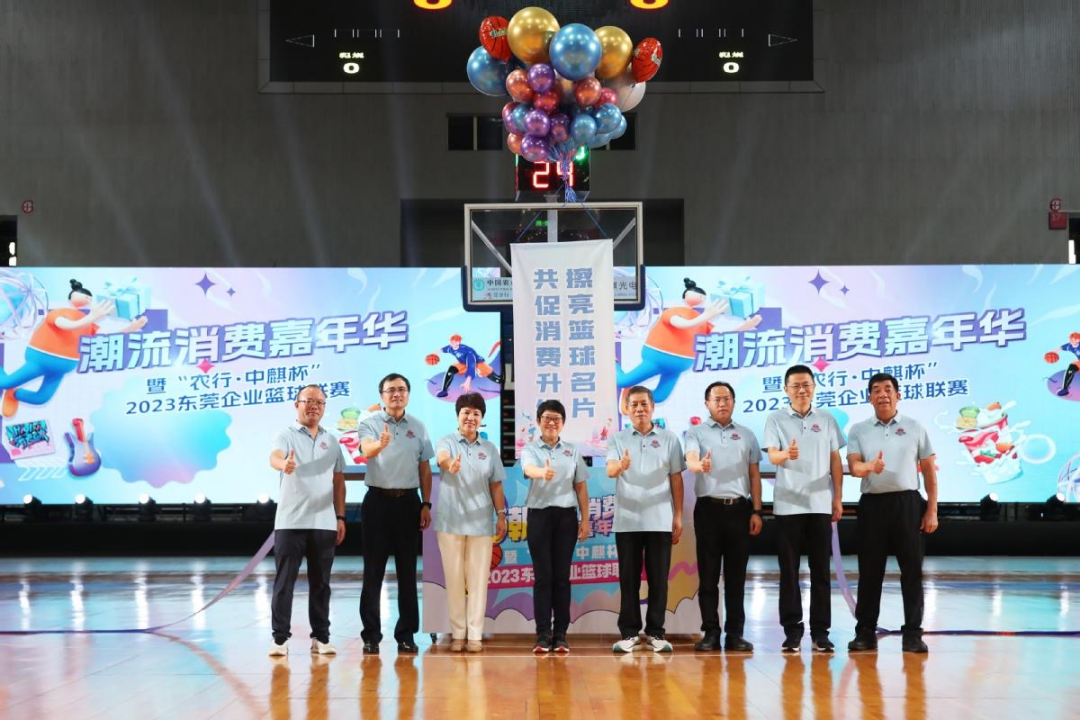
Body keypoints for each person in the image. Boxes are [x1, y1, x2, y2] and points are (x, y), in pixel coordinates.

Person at [846, 372, 939, 654]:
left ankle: (913, 634)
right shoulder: (859, 430)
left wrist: (932, 509)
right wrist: (869, 467)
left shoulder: (915, 427)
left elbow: (929, 472)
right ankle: (865, 633)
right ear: (869, 397)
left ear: (898, 395)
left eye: (888, 389)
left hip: (908, 504)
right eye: (876, 390)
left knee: (912, 571)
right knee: (869, 572)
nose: (882, 394)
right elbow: (854, 467)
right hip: (872, 505)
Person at [764, 365, 845, 653]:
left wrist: (838, 498)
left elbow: (835, 460)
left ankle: (821, 632)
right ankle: (792, 631)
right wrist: (786, 454)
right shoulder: (775, 419)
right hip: (788, 505)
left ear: (814, 387)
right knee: (789, 572)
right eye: (796, 385)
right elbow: (773, 455)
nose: (801, 390)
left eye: (806, 384)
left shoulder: (826, 419)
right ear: (786, 389)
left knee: (820, 571)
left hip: (820, 504)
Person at [357, 373, 434, 655]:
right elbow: (367, 450)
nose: (396, 394)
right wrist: (380, 444)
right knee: (373, 572)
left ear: (408, 395)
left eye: (401, 389)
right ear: (382, 396)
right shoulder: (369, 423)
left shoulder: (419, 426)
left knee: (407, 572)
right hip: (377, 502)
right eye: (391, 390)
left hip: (408, 503)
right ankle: (371, 636)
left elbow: (425, 468)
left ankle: (406, 634)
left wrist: (426, 504)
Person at [268, 384, 347, 656]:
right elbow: (274, 457)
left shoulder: (332, 440)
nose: (314, 406)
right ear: (297, 405)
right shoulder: (286, 435)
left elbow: (338, 481)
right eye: (308, 401)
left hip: (324, 522)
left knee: (321, 584)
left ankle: (321, 637)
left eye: (320, 402)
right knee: (284, 583)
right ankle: (280, 638)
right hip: (290, 522)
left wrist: (340, 516)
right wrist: (284, 464)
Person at [684, 381, 763, 652]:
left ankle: (735, 634)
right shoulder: (696, 433)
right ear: (707, 404)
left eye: (727, 398)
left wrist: (757, 510)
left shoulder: (747, 435)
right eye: (716, 399)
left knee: (736, 577)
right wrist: (700, 465)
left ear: (734, 402)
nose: (722, 403)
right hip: (708, 510)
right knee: (708, 576)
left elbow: (754, 475)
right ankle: (710, 633)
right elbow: (691, 460)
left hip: (740, 510)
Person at [606, 385, 685, 653]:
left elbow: (676, 479)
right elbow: (610, 470)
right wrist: (621, 465)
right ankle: (629, 633)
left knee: (658, 580)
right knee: (628, 580)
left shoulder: (670, 439)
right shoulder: (617, 439)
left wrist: (678, 515)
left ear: (652, 407)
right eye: (634, 405)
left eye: (644, 404)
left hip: (660, 520)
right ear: (626, 409)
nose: (639, 409)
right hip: (627, 521)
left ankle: (655, 632)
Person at [0, 278, 147, 417]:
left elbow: (106, 335)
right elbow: (68, 325)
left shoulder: (89, 324)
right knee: (5, 382)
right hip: (40, 360)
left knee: (41, 399)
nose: (87, 299)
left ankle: (14, 393)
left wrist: (130, 328)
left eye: (89, 297)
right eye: (83, 295)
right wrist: (92, 317)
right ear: (71, 297)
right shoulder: (59, 313)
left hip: (61, 369)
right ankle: (9, 385)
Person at [616, 278, 761, 410]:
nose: (701, 298)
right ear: (685, 296)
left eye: (703, 296)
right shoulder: (674, 311)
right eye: (698, 294)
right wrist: (706, 316)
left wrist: (744, 327)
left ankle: (633, 392)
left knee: (660, 397)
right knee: (623, 381)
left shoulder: (703, 321)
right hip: (658, 357)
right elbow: (682, 324)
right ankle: (613, 362)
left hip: (678, 368)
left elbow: (721, 333)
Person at [434, 392, 507, 652]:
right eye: (466, 412)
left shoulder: (489, 449)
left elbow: (496, 484)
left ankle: (474, 634)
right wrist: (449, 465)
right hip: (450, 522)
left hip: (481, 522)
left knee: (477, 580)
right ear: (458, 416)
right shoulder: (446, 441)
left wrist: (501, 515)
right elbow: (441, 457)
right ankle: (458, 634)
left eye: (476, 413)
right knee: (454, 580)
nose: (470, 417)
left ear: (481, 418)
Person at [520, 399, 590, 654]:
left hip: (566, 518)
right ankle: (542, 634)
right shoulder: (530, 449)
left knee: (561, 577)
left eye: (556, 419)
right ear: (539, 421)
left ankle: (560, 634)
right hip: (539, 516)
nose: (551, 423)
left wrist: (585, 519)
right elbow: (528, 469)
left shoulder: (572, 451)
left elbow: (580, 486)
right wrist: (541, 473)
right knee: (543, 577)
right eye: (547, 418)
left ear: (563, 423)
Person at [434, 335, 502, 398]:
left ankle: (505, 383)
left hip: (477, 363)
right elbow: (443, 349)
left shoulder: (468, 351)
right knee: (451, 369)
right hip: (463, 363)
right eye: (451, 342)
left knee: (495, 378)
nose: (451, 343)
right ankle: (444, 391)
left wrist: (467, 381)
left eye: (453, 342)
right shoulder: (451, 348)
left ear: (458, 342)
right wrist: (434, 353)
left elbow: (471, 365)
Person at [1045, 332, 1080, 397]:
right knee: (1071, 367)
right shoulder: (1069, 346)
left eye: (1073, 340)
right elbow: (1061, 348)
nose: (1071, 341)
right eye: (1071, 339)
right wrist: (1053, 352)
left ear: (1078, 340)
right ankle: (1065, 389)